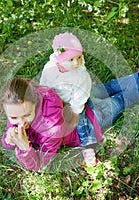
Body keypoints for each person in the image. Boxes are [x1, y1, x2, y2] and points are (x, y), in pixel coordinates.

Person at [0, 52, 139, 172]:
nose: (20, 122)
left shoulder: (51, 128)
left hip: (93, 118)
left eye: (26, 116)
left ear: (36, 103)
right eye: (13, 117)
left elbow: (39, 164)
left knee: (123, 99)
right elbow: (11, 130)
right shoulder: (34, 95)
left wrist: (24, 148)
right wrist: (8, 139)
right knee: (111, 86)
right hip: (79, 97)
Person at [39, 32, 96, 165]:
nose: (76, 62)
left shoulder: (80, 76)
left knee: (82, 122)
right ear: (59, 58)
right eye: (71, 59)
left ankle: (87, 146)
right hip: (53, 101)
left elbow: (80, 97)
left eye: (79, 57)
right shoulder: (50, 68)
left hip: (72, 102)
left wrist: (74, 110)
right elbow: (44, 84)